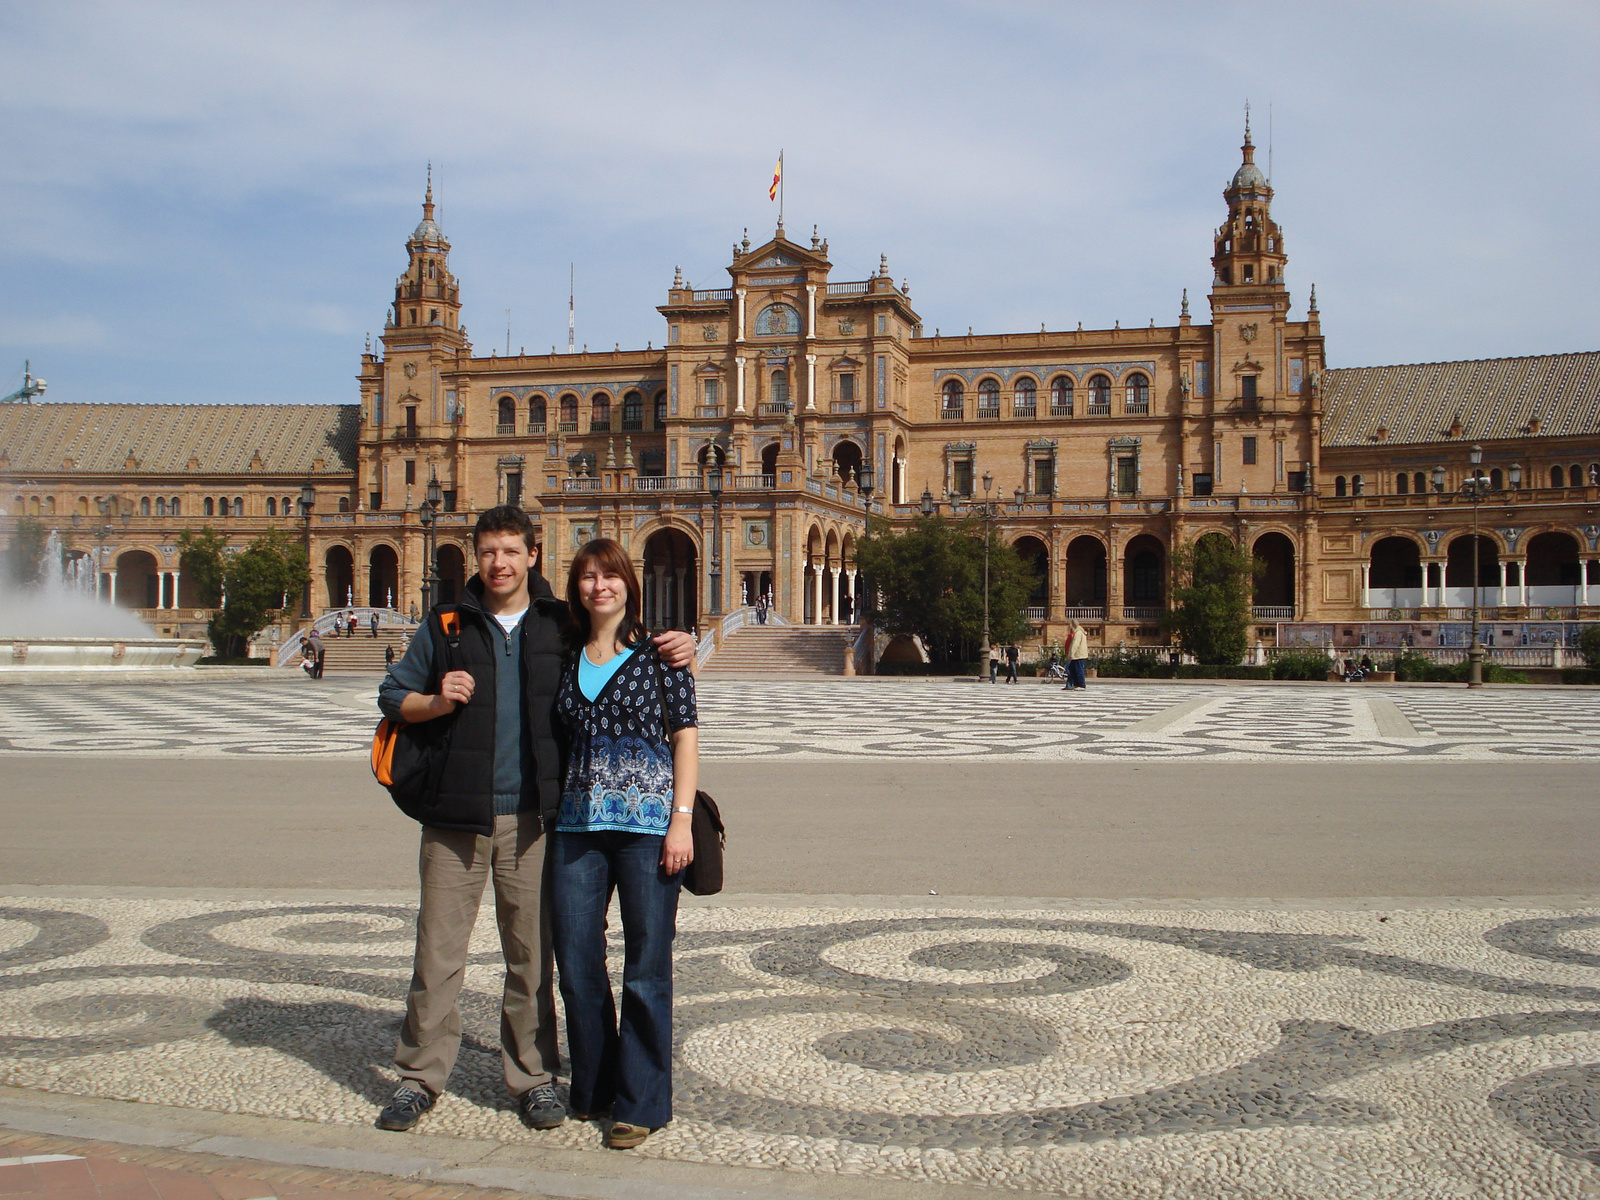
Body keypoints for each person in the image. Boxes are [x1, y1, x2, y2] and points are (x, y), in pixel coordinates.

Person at [373, 507, 695, 1136]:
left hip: (536, 821)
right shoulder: (446, 625)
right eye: (489, 551)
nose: (499, 563)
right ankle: (418, 1080)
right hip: (458, 818)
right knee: (439, 955)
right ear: (476, 556)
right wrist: (436, 700)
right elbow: (392, 696)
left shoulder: (558, 625)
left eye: (511, 551)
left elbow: (625, 652)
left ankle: (533, 1077)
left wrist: (675, 640)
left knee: (532, 958)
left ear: (533, 555)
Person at [551, 538, 698, 1151]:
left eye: (609, 576)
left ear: (628, 585)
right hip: (576, 828)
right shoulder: (560, 655)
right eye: (586, 577)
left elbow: (686, 739)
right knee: (577, 961)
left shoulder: (663, 655)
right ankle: (593, 1083)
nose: (597, 586)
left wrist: (681, 821)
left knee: (646, 964)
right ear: (575, 590)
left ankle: (640, 1102)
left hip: (647, 830)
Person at [1063, 621, 1089, 691]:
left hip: (1077, 655)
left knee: (1078, 669)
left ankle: (1081, 684)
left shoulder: (1078, 633)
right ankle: (1076, 684)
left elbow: (1075, 644)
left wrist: (1071, 654)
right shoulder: (1080, 632)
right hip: (1078, 654)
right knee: (1073, 669)